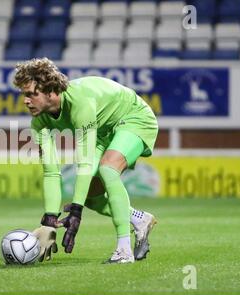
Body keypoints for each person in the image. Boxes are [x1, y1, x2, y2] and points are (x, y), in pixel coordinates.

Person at [13, 58, 158, 264]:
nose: (25, 101)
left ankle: (124, 251)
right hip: (103, 131)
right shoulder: (39, 122)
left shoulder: (80, 104)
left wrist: (76, 213)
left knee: (108, 169)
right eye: (24, 95)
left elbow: (85, 163)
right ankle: (139, 219)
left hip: (135, 118)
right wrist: (49, 220)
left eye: (31, 94)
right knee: (91, 196)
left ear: (50, 91)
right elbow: (51, 172)